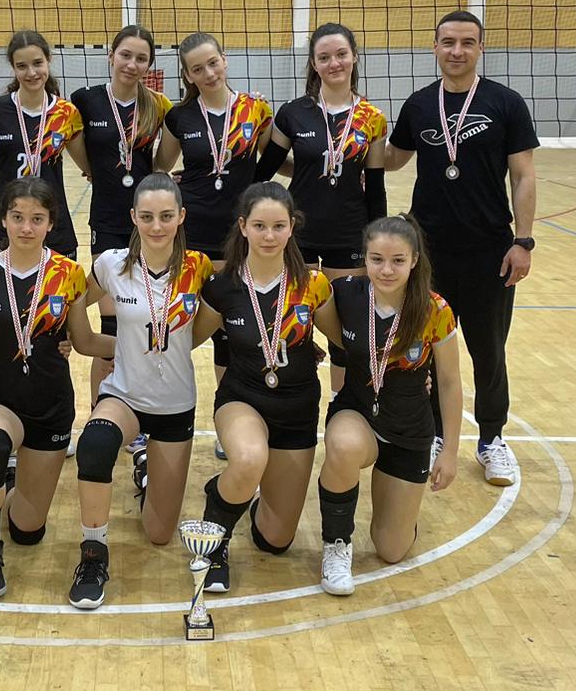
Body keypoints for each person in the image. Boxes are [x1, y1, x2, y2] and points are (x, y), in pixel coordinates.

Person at [385, 9, 538, 486]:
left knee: (489, 352)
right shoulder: (418, 105)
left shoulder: (505, 103)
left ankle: (491, 439)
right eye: (448, 42)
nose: (457, 51)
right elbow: (392, 158)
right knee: (429, 348)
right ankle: (434, 433)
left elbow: (524, 175)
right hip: (428, 254)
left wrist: (523, 241)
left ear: (480, 48)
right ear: (434, 47)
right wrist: (343, 136)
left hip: (490, 251)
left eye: (467, 42)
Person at [68, 172, 214, 609]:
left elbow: (203, 329)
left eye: (166, 216)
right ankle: (93, 555)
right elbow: (73, 301)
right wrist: (92, 343)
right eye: (147, 216)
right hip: (124, 396)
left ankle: (146, 467)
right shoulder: (111, 265)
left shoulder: (199, 268)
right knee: (95, 445)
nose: (156, 226)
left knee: (159, 533)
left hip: (175, 405)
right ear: (133, 217)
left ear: (181, 216)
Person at [0, 177, 109, 599]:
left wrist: (147, 346)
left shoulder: (68, 273)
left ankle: (7, 486)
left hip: (50, 406)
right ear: (3, 220)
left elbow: (84, 340)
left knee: (27, 530)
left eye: (37, 219)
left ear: (51, 223)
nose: (26, 227)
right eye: (18, 217)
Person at [191, 182, 334, 594]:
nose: (269, 236)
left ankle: (231, 493)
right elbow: (185, 340)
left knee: (276, 539)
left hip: (297, 410)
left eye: (278, 226)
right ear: (243, 227)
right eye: (259, 226)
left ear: (292, 227)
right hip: (242, 399)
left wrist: (412, 370)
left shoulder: (313, 285)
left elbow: (350, 342)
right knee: (249, 458)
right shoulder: (222, 286)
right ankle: (215, 541)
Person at [311, 215, 461, 595]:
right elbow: (304, 314)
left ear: (414, 260)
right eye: (377, 259)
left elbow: (448, 382)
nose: (386, 270)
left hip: (409, 429)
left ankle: (401, 515)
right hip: (357, 413)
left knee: (391, 549)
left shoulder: (435, 310)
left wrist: (450, 452)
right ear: (364, 257)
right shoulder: (344, 293)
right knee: (343, 445)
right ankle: (336, 544)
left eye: (397, 260)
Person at [157, 31, 274, 459]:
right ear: (187, 76)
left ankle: (230, 417)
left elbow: (271, 160)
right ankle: (163, 413)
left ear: (224, 60)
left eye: (212, 63)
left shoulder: (255, 110)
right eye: (197, 69)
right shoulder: (180, 117)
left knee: (231, 330)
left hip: (238, 234)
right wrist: (172, 183)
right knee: (178, 323)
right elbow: (160, 166)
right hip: (192, 234)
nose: (208, 73)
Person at [256, 22, 388, 394]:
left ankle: (341, 408)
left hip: (349, 234)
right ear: (314, 64)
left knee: (345, 332)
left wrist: (378, 240)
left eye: (341, 54)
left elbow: (375, 187)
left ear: (354, 57)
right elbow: (264, 172)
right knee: (290, 325)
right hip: (297, 233)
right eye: (324, 57)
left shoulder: (372, 119)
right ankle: (291, 404)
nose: (334, 63)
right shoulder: (293, 113)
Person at [70, 26, 174, 415]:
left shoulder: (158, 106)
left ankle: (144, 408)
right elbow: (79, 151)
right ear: (111, 56)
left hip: (149, 224)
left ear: (149, 65)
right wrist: (95, 172)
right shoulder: (85, 100)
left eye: (141, 58)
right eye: (125, 55)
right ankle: (102, 410)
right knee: (112, 323)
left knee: (146, 319)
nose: (132, 64)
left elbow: (162, 164)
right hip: (107, 219)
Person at [0, 30, 86, 260]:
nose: (31, 72)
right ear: (13, 67)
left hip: (53, 226)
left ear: (49, 60)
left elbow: (88, 166)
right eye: (22, 66)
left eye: (37, 63)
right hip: (6, 225)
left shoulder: (66, 113)